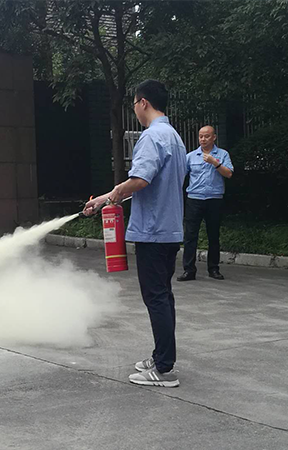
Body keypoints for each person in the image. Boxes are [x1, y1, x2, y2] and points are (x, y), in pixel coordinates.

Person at [84, 80, 186, 388]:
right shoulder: (174, 137)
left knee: (156, 298)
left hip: (153, 231)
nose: (135, 110)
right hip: (169, 229)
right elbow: (146, 183)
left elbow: (140, 179)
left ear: (143, 103)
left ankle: (164, 368)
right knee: (163, 296)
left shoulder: (151, 137)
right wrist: (105, 199)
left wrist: (115, 192)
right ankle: (160, 356)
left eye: (134, 104)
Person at [177, 126, 234, 282]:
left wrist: (215, 163)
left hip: (214, 199)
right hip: (194, 199)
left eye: (207, 136)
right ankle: (189, 270)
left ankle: (213, 268)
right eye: (201, 136)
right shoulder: (191, 156)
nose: (203, 139)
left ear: (214, 137)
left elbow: (229, 174)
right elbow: (180, 175)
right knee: (190, 236)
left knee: (213, 235)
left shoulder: (222, 154)